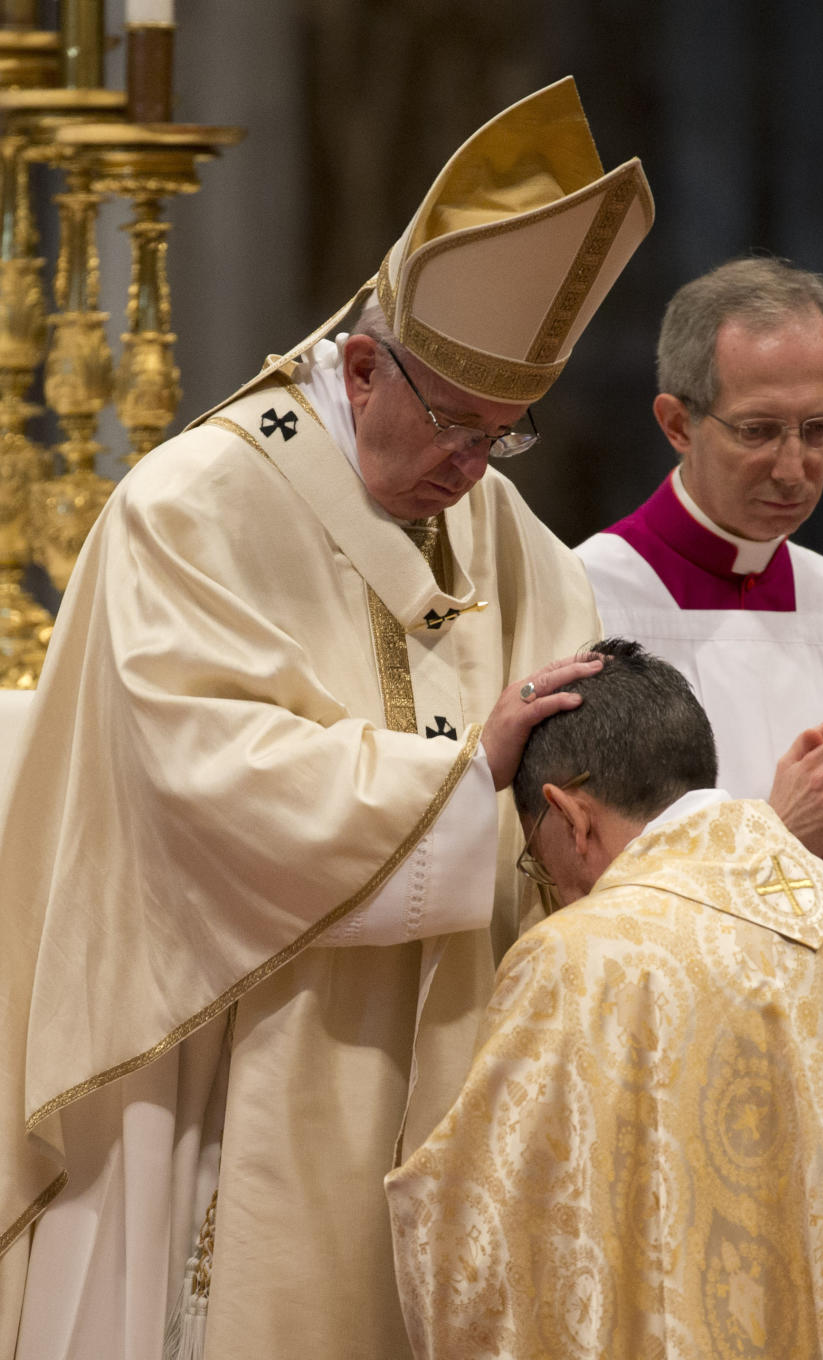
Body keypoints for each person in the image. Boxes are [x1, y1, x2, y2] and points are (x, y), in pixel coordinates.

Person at [0, 79, 655, 1360]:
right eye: (457, 428)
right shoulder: (189, 509)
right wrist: (465, 784)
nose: (473, 473)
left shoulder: (501, 534)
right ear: (361, 366)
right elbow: (202, 776)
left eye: (504, 439)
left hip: (448, 1047)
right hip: (226, 1048)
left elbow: (560, 705)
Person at [386, 638, 823, 1359]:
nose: (554, 883)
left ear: (571, 816)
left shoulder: (579, 955)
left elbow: (491, 1238)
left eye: (540, 856)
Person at [576, 257, 823, 985]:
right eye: (759, 431)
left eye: (819, 429)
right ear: (677, 422)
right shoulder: (579, 601)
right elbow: (563, 869)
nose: (793, 467)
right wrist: (779, 838)